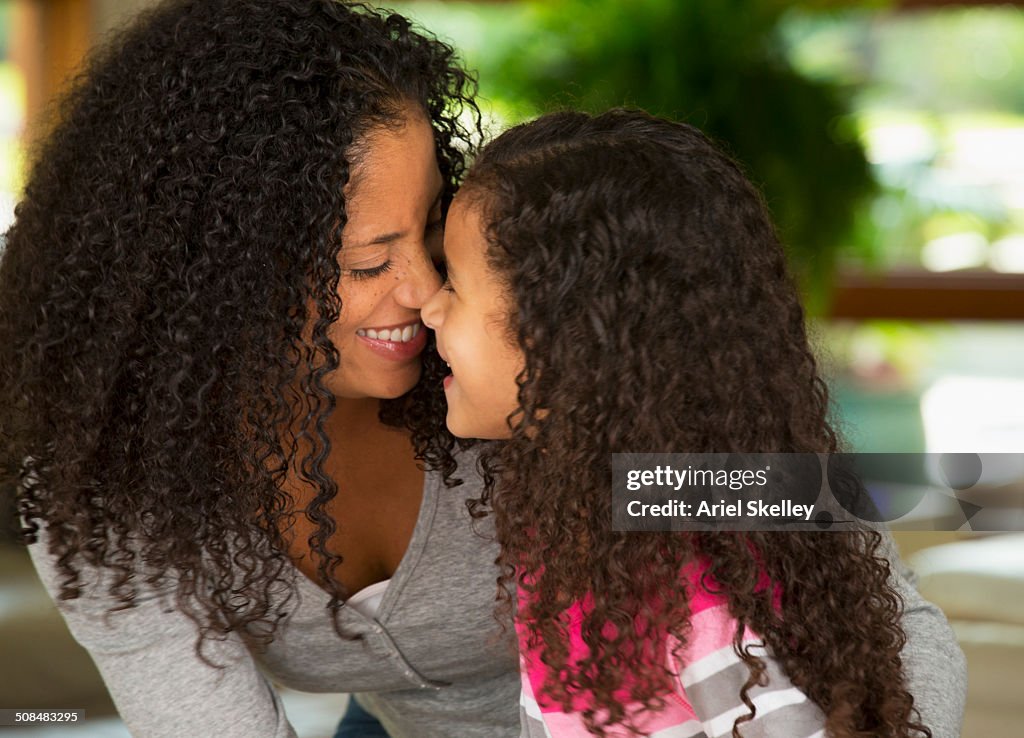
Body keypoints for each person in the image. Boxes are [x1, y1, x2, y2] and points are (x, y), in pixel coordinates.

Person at [0, 1, 519, 737]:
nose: (427, 292)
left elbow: (737, 504)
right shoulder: (103, 480)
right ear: (218, 275)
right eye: (369, 262)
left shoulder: (508, 354)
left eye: (430, 226)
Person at [421, 108, 967, 737]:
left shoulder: (709, 605)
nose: (429, 305)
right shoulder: (579, 523)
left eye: (455, 285)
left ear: (565, 340)